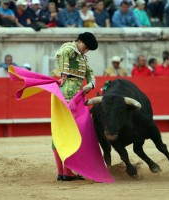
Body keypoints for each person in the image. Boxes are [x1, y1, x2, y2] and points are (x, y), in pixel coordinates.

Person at [54, 32, 98, 181]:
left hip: (76, 95)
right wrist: (64, 75)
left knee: (66, 131)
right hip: (67, 94)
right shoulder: (70, 49)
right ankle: (65, 172)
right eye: (85, 47)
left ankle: (64, 172)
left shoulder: (81, 56)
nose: (86, 50)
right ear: (79, 41)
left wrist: (90, 84)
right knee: (69, 131)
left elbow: (90, 72)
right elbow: (62, 53)